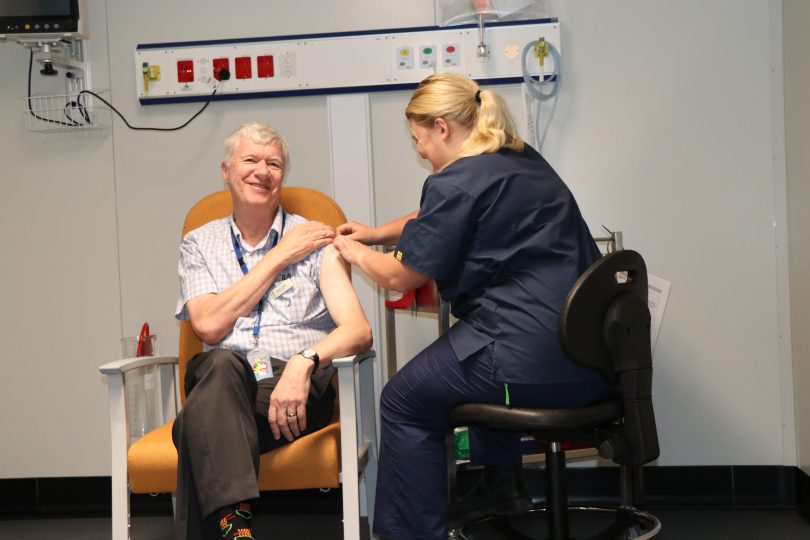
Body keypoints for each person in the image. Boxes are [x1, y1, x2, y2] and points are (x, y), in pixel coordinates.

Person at [333, 73, 617, 539]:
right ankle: (501, 486)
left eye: (418, 140)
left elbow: (399, 276)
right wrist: (377, 233)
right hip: (588, 359)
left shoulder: (457, 179)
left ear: (442, 128)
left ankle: (411, 534)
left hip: (528, 360)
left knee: (403, 400)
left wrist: (353, 251)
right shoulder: (520, 158)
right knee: (465, 352)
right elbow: (434, 220)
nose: (421, 152)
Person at [173, 122, 372, 540]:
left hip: (294, 388)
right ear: (226, 170)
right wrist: (280, 256)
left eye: (274, 163)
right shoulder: (199, 244)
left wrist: (304, 363)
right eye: (250, 160)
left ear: (283, 176)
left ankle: (230, 523)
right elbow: (209, 325)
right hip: (223, 377)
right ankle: (236, 527)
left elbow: (358, 330)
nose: (262, 171)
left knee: (194, 424)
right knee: (221, 364)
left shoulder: (316, 241)